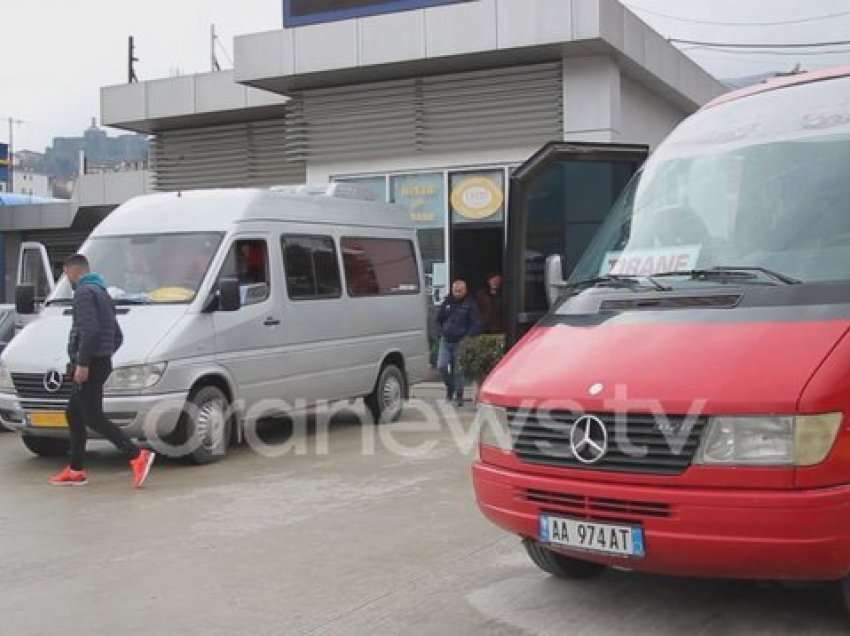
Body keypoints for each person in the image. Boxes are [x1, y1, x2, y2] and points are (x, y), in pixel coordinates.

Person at [48, 254, 156, 488]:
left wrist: (84, 364)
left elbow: (90, 331)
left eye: (66, 274)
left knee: (92, 417)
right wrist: (103, 356)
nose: (67, 279)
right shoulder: (102, 293)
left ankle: (137, 455)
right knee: (74, 414)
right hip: (99, 362)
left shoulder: (84, 293)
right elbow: (116, 336)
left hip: (89, 364)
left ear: (72, 271)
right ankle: (75, 470)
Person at [437, 279, 481, 406]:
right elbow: (438, 320)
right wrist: (440, 332)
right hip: (445, 340)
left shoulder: (470, 304)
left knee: (459, 371)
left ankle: (459, 395)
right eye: (455, 290)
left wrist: (467, 337)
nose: (457, 293)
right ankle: (450, 387)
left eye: (459, 291)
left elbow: (476, 323)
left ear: (465, 290)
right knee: (442, 366)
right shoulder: (447, 302)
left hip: (460, 341)